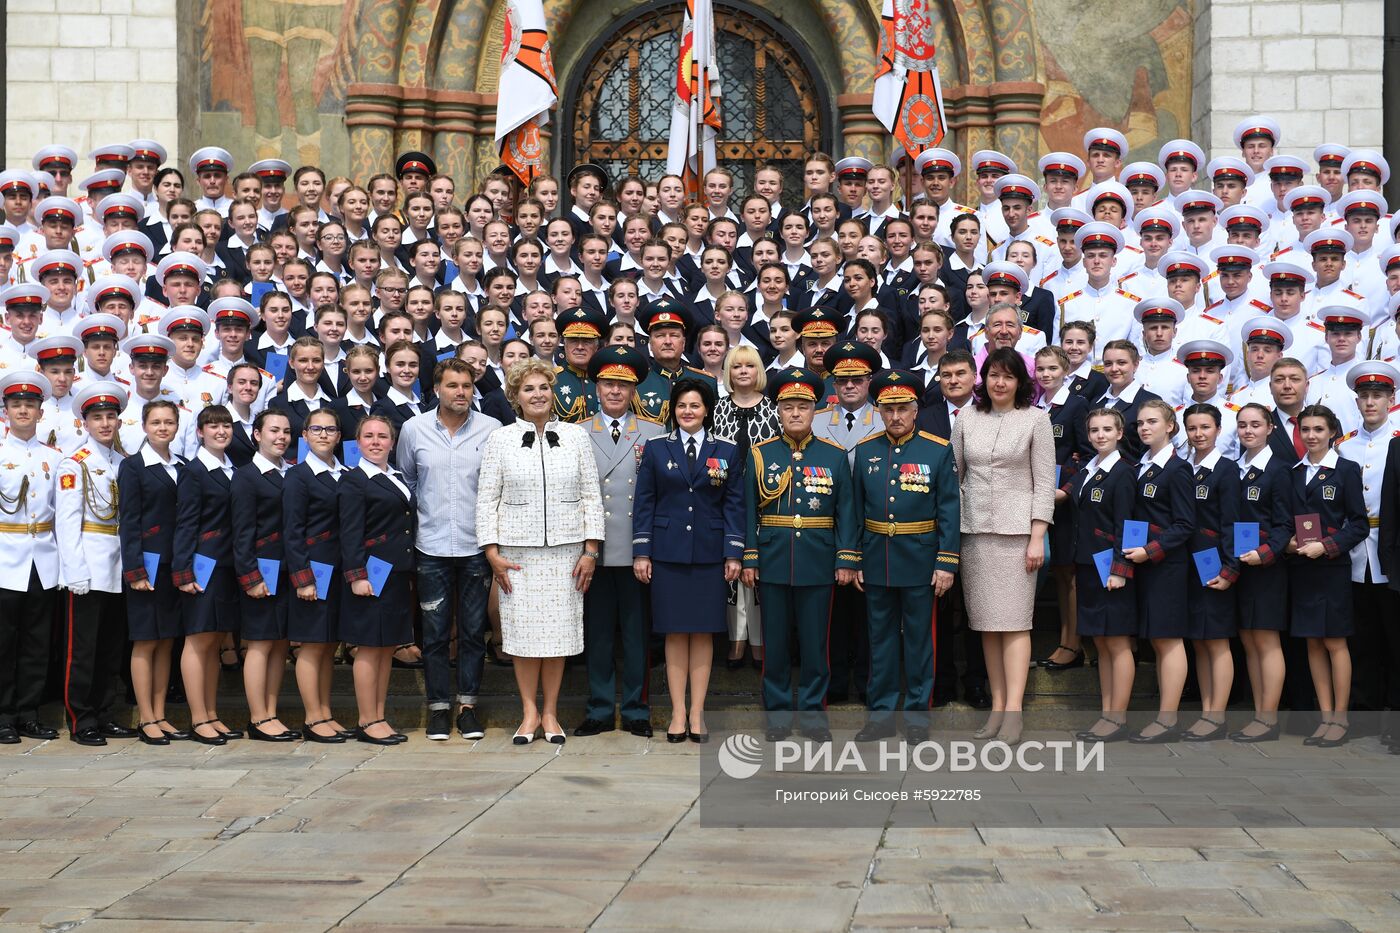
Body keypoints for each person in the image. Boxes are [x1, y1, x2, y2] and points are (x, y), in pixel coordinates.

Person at [477, 359, 604, 745]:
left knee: (558, 638)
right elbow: (486, 500)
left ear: (553, 393)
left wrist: (591, 550)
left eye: (544, 388)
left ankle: (550, 712)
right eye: (529, 389)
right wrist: (491, 552)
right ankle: (528, 712)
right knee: (523, 639)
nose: (538, 395)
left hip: (566, 554)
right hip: (518, 555)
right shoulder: (500, 439)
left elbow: (590, 495)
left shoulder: (576, 436)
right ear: (515, 396)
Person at [742, 367, 859, 742]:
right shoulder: (760, 455)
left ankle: (812, 715)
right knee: (774, 644)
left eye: (803, 407)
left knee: (815, 645)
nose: (795, 413)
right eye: (788, 406)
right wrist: (750, 556)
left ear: (815, 411)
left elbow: (846, 511)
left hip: (817, 560)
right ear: (778, 411)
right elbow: (747, 511)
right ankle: (776, 716)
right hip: (773, 560)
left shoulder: (834, 455)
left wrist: (846, 559)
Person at [951, 348, 1054, 744]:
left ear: (1020, 382)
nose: (999, 383)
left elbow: (1043, 483)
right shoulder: (966, 418)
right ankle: (997, 707)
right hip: (974, 533)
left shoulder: (1036, 420)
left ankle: (1014, 712)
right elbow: (954, 474)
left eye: (1008, 377)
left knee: (1014, 624)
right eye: (993, 375)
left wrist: (1037, 537)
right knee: (986, 627)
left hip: (1017, 537)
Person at [851, 370, 959, 743]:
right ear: (879, 411)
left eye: (903, 408)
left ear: (916, 410)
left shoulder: (936, 449)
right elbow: (855, 509)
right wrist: (854, 558)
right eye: (888, 409)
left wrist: (946, 562)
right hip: (877, 557)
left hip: (920, 560)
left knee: (919, 641)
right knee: (879, 642)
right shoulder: (866, 450)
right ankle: (879, 717)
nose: (895, 416)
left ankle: (916, 719)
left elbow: (949, 508)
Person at [633, 379, 744, 742]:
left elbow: (734, 504)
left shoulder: (725, 450)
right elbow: (645, 502)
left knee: (703, 631)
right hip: (667, 552)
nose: (688, 412)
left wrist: (733, 552)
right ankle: (677, 713)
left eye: (695, 406)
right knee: (674, 631)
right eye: (681, 406)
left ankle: (698, 713)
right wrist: (642, 551)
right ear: (673, 410)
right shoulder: (655, 448)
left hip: (711, 554)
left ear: (707, 409)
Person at [397, 358, 500, 742]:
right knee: (437, 633)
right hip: (432, 544)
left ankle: (468, 707)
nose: (460, 392)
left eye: (467, 386)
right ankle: (439, 708)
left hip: (476, 546)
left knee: (474, 631)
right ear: (437, 389)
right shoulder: (414, 429)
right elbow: (408, 479)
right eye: (453, 385)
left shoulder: (491, 430)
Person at [576, 346, 665, 737]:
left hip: (635, 549)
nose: (615, 391)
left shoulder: (654, 433)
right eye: (609, 383)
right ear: (596, 387)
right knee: (596, 635)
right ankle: (597, 708)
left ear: (634, 391)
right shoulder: (576, 433)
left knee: (635, 635)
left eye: (623, 385)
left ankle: (635, 709)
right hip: (592, 550)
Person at [56, 381, 134, 746]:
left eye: (111, 417)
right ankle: (81, 718)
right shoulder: (75, 464)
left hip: (118, 568)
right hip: (88, 565)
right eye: (97, 417)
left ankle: (105, 713)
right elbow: (68, 522)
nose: (105, 423)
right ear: (84, 423)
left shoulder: (124, 463)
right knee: (83, 650)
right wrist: (75, 571)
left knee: (110, 648)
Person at [1058, 407, 1138, 742]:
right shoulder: (1089, 468)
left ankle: (1118, 718)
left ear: (1120, 433)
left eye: (1107, 429)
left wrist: (1121, 569)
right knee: (1102, 643)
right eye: (1094, 430)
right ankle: (1107, 713)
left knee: (1118, 643)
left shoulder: (1124, 472)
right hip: (1089, 564)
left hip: (1111, 569)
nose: (1100, 435)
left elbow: (1129, 525)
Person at [1290, 404, 1368, 748]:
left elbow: (1359, 523)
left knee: (1335, 642)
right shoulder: (1293, 473)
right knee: (1312, 642)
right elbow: (1286, 520)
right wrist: (1289, 544)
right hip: (1302, 568)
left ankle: (1341, 717)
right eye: (1305, 429)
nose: (1311, 436)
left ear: (1332, 432)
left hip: (1331, 567)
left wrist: (1329, 546)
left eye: (1318, 430)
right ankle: (1324, 718)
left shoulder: (1346, 470)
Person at [1119, 400, 1196, 743]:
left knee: (1168, 639)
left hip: (1166, 565)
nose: (1144, 428)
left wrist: (1151, 550)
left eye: (1152, 422)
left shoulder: (1178, 469)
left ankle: (1168, 719)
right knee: (1157, 638)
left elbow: (1184, 524)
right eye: (1139, 424)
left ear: (1170, 426)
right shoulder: (1142, 465)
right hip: (1144, 563)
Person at [339, 414, 417, 745]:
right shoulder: (354, 480)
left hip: (396, 574)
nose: (375, 442)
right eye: (368, 436)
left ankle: (379, 715)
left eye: (382, 436)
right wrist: (356, 575)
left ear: (392, 442)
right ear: (357, 443)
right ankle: (366, 719)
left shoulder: (396, 476)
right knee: (369, 649)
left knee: (386, 649)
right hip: (370, 576)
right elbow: (350, 532)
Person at [117, 400, 189, 745]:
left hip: (175, 565)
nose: (163, 428)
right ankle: (145, 716)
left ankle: (160, 712)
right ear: (144, 426)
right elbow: (128, 521)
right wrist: (134, 568)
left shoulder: (183, 465)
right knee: (146, 641)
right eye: (156, 422)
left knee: (166, 641)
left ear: (177, 427)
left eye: (169, 422)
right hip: (146, 565)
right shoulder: (133, 467)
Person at [172, 405, 242, 746]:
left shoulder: (232, 469)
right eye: (213, 426)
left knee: (214, 641)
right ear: (200, 432)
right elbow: (186, 522)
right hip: (202, 565)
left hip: (228, 566)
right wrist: (182, 569)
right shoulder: (194, 471)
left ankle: (212, 713)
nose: (220, 431)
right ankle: (197, 717)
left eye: (226, 425)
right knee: (198, 640)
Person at [283, 408, 352, 743]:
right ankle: (312, 718)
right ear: (305, 436)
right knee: (311, 645)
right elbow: (292, 532)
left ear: (339, 436)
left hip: (339, 570)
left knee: (327, 646)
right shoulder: (298, 476)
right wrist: (302, 576)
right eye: (316, 429)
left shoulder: (345, 472)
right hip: (314, 570)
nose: (324, 435)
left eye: (330, 429)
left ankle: (325, 712)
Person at [230, 409, 299, 742]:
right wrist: (250, 575)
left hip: (289, 571)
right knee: (258, 644)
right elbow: (242, 533)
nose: (281, 437)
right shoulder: (246, 476)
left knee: (280, 644)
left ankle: (271, 712)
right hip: (261, 571)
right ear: (257, 435)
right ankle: (258, 717)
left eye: (286, 431)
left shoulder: (293, 474)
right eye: (273, 430)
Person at [711, 346, 780, 667]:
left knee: (757, 573)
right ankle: (735, 643)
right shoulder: (717, 409)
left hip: (765, 501)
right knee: (731, 570)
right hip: (724, 499)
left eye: (749, 366)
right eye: (735, 366)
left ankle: (760, 643)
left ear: (758, 372)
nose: (742, 371)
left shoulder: (773, 410)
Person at [1230, 401, 1295, 742]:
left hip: (1266, 567)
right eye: (1242, 425)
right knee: (1249, 639)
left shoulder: (1279, 469)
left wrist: (1266, 553)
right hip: (1240, 565)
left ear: (1270, 428)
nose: (1248, 431)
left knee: (1267, 640)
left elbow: (1285, 524)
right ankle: (1258, 712)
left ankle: (1268, 718)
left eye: (1256, 424)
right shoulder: (1234, 467)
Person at [1179, 402, 1240, 741]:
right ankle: (1206, 710)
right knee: (1200, 642)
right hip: (1188, 564)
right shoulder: (1187, 467)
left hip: (1215, 563)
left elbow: (1231, 521)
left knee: (1216, 642)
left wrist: (1231, 567)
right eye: (1192, 428)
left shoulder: (1226, 469)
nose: (1198, 434)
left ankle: (1217, 716)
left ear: (1218, 430)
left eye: (1205, 427)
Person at [1034, 346, 1092, 670]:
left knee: (1068, 573)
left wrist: (1067, 489)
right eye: (1041, 369)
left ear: (1065, 370)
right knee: (1057, 571)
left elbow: (1086, 454)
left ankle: (1072, 643)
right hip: (1038, 498)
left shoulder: (1076, 405)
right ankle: (1066, 640)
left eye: (1052, 369)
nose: (1046, 374)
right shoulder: (1035, 405)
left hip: (1063, 501)